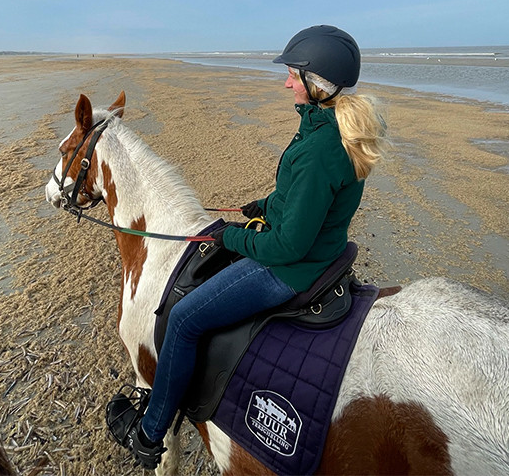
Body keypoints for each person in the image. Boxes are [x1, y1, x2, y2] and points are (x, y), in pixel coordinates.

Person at [106, 25, 387, 469]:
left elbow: (288, 244)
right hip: (322, 254)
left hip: (292, 270)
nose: (287, 82)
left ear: (318, 84)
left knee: (182, 320)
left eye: (294, 75)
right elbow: (302, 198)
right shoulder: (325, 128)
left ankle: (150, 432)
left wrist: (229, 235)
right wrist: (265, 204)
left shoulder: (319, 148)